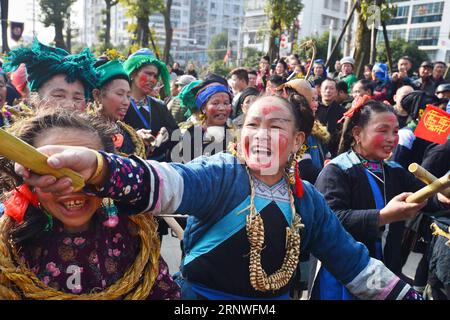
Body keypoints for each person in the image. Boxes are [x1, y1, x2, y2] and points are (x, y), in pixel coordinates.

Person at [16, 95, 425, 300]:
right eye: (252, 124)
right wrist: (99, 167)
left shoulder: (310, 202)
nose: (262, 133)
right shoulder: (222, 174)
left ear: (299, 141)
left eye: (276, 125)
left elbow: (352, 262)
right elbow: (167, 181)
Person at [0, 110, 180, 300]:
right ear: (30, 181)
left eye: (83, 172)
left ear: (106, 176)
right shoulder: (13, 243)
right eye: (50, 173)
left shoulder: (132, 231)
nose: (70, 187)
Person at [313, 98, 450, 300]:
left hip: (385, 274)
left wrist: (441, 198)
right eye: (383, 130)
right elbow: (331, 221)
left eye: (395, 132)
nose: (391, 138)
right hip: (345, 274)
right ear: (358, 133)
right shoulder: (337, 170)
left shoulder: (393, 170)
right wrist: (383, 216)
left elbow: (427, 198)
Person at [3, 38, 97, 112]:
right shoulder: (13, 136)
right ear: (36, 99)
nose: (69, 105)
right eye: (59, 96)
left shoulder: (98, 136)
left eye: (77, 98)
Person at [122, 48, 179, 162]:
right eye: (148, 74)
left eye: (155, 76)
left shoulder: (160, 106)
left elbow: (177, 135)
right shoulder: (121, 104)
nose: (152, 80)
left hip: (158, 169)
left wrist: (167, 133)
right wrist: (134, 137)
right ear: (133, 73)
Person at [171, 74, 236, 164]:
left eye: (226, 103)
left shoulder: (236, 134)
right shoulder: (191, 135)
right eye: (215, 103)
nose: (222, 108)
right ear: (203, 108)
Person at [316, 78, 345, 157]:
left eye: (331, 88)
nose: (328, 91)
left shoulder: (343, 112)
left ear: (336, 92)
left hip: (334, 152)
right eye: (325, 88)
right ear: (320, 91)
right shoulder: (314, 108)